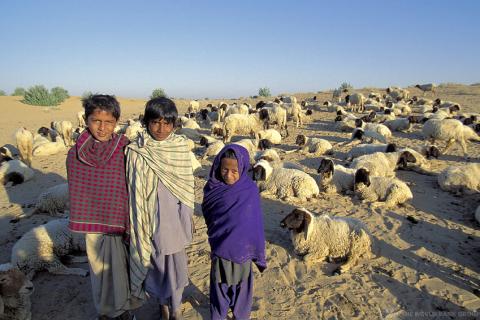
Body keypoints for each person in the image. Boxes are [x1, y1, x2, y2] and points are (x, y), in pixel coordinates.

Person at [67, 94, 140, 320]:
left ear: (116, 122)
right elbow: (79, 188)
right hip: (94, 227)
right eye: (96, 120)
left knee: (122, 270)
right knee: (99, 271)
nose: (102, 127)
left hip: (120, 221)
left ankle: (123, 311)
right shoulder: (75, 153)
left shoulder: (125, 148)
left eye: (109, 122)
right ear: (86, 120)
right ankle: (106, 313)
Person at [126, 97, 195, 320]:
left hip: (173, 221)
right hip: (146, 219)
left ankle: (174, 308)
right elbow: (131, 187)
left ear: (174, 124)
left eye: (167, 123)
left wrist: (185, 222)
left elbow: (186, 188)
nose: (161, 128)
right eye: (155, 122)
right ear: (146, 122)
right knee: (154, 265)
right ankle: (162, 305)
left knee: (175, 267)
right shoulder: (136, 150)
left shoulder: (180, 147)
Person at [202, 145, 267, 320]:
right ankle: (219, 315)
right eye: (224, 169)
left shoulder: (250, 191)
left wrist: (255, 250)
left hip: (243, 253)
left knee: (242, 289)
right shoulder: (212, 189)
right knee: (219, 287)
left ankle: (240, 316)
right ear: (217, 166)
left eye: (234, 171)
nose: (229, 175)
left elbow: (255, 224)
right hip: (221, 249)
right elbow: (209, 215)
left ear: (243, 168)